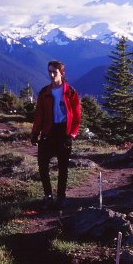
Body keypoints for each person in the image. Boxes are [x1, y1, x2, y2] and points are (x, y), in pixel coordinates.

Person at [31, 60, 81, 210]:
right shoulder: (44, 92)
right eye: (50, 71)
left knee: (63, 167)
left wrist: (71, 135)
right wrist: (35, 133)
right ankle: (48, 195)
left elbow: (77, 117)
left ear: (62, 73)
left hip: (63, 133)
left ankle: (61, 197)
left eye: (55, 72)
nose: (52, 75)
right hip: (48, 131)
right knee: (42, 165)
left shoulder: (70, 92)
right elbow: (39, 114)